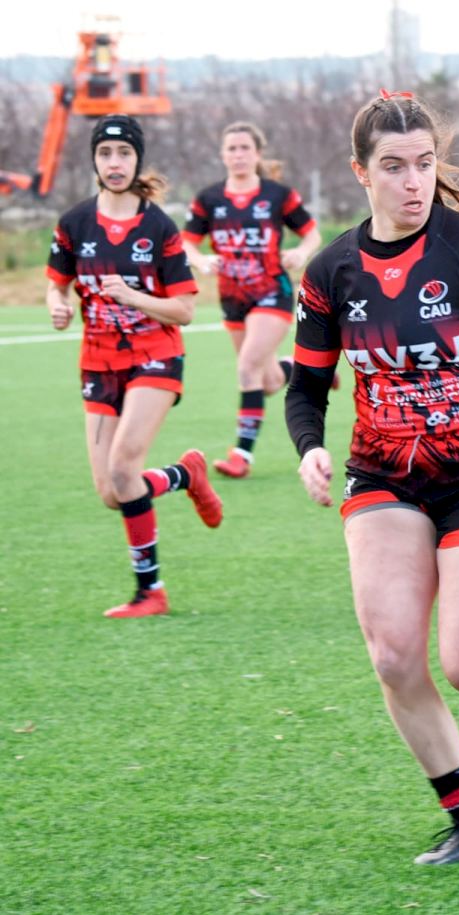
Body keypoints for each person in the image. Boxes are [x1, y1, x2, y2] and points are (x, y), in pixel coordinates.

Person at [285, 91, 459, 866]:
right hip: (383, 472)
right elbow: (306, 387)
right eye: (394, 167)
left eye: (424, 164)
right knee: (392, 656)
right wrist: (309, 447)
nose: (413, 182)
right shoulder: (330, 271)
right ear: (361, 172)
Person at [45, 114, 223, 619]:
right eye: (105, 153)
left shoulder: (158, 226)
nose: (115, 163)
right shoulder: (74, 223)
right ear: (94, 160)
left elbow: (184, 311)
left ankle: (151, 593)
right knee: (111, 492)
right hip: (97, 363)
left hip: (155, 356)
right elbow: (56, 283)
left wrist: (134, 296)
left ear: (137, 160)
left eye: (124, 153)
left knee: (124, 470)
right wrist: (57, 305)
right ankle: (185, 475)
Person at [183, 122, 323, 478]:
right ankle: (301, 369)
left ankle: (241, 456)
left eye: (245, 147)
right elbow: (187, 243)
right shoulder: (209, 199)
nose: (238, 154)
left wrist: (301, 253)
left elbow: (312, 234)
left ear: (257, 153)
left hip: (272, 292)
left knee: (247, 368)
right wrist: (200, 261)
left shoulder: (277, 195)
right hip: (232, 299)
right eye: (232, 148)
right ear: (222, 155)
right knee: (268, 380)